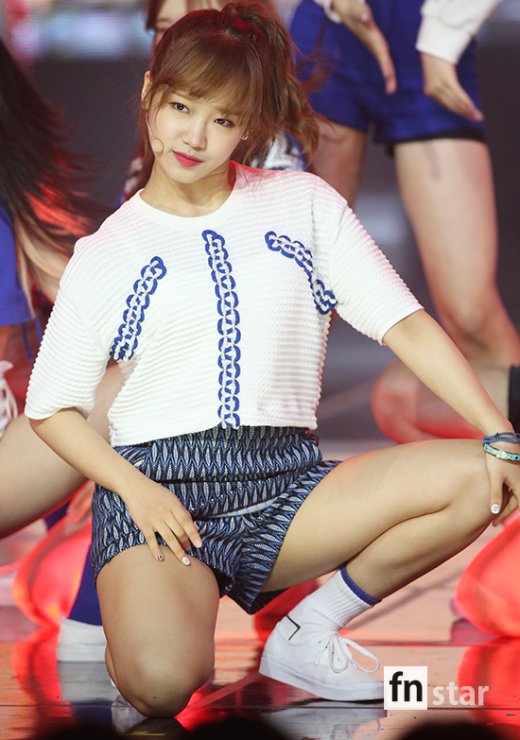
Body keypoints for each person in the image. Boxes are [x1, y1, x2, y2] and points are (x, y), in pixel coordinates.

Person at [22, 2, 520, 717]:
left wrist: (498, 431)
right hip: (160, 496)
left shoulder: (303, 204)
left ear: (249, 127)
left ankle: (309, 630)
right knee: (161, 685)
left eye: (223, 119)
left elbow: (406, 325)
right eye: (181, 107)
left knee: (482, 475)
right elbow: (51, 409)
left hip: (286, 487)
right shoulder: (107, 252)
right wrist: (135, 491)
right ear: (150, 95)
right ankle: (148, 612)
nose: (195, 136)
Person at [288, 0, 520, 438]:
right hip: (329, 30)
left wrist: (443, 38)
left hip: (432, 30)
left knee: (471, 314)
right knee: (303, 294)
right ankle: (265, 463)